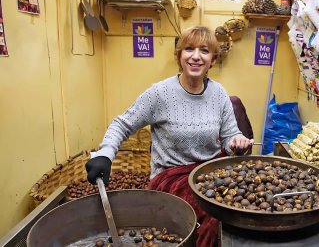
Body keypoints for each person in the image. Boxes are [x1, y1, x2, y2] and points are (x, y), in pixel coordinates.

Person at [85, 26, 253, 246]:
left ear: (212, 59)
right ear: (179, 55)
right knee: (214, 218)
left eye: (204, 50)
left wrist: (236, 142)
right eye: (189, 49)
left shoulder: (218, 93)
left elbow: (231, 134)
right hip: (172, 179)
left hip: (211, 174)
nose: (195, 56)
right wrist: (105, 154)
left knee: (240, 209)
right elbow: (122, 124)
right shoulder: (160, 93)